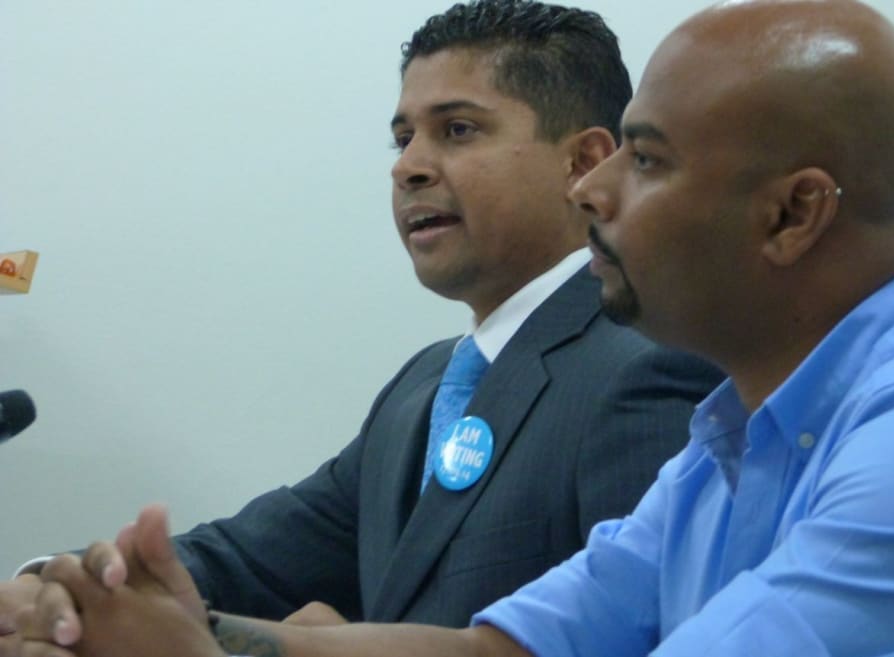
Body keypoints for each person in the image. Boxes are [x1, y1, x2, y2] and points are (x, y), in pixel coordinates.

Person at [19, 0, 894, 654]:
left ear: (791, 214)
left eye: (644, 160)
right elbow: (495, 654)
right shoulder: (734, 436)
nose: (597, 190)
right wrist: (132, 619)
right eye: (402, 137)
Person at [0, 0, 722, 651]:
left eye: (458, 129)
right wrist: (59, 588)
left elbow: (655, 634)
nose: (408, 167)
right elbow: (247, 559)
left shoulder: (653, 364)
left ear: (586, 162)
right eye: (402, 138)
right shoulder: (425, 385)